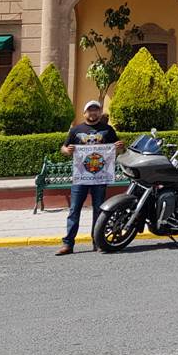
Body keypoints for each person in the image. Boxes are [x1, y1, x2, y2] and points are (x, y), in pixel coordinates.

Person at [56, 100, 124, 255]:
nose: (93, 113)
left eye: (96, 110)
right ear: (84, 113)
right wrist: (68, 150)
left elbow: (117, 150)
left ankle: (98, 242)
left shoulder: (108, 130)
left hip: (99, 178)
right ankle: (68, 244)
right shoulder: (76, 130)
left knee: (99, 211)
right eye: (90, 110)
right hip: (81, 178)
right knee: (74, 210)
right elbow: (64, 148)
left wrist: (120, 147)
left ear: (100, 112)